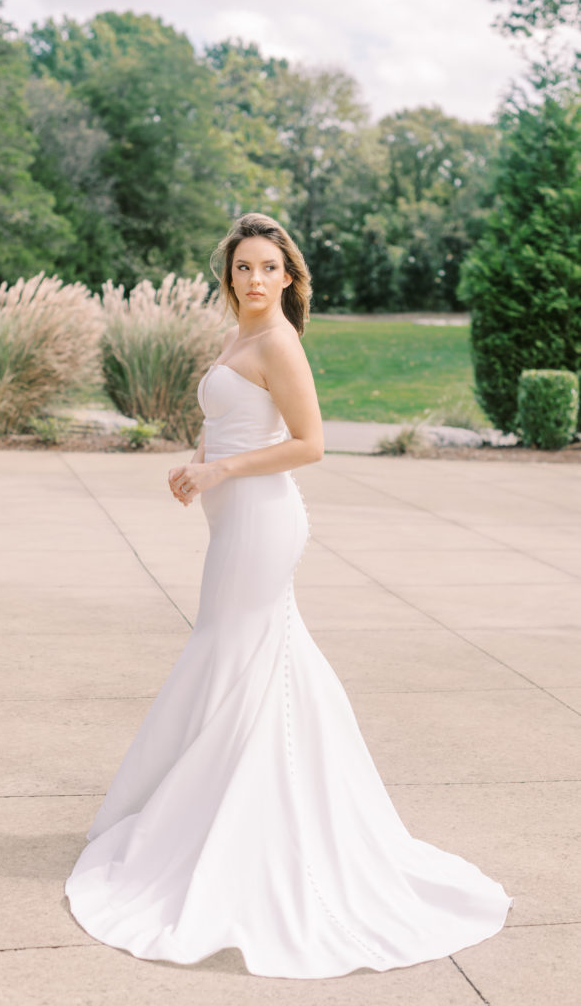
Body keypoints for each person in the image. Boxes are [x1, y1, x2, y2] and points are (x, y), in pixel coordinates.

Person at [65, 212, 513, 980]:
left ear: (288, 277)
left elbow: (309, 443)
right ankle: (236, 809)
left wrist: (221, 473)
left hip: (264, 521)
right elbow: (236, 421)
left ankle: (248, 824)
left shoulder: (277, 341)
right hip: (231, 513)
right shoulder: (236, 338)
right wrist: (196, 457)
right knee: (247, 657)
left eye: (267, 268)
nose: (253, 279)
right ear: (229, 276)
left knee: (233, 652)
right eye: (242, 267)